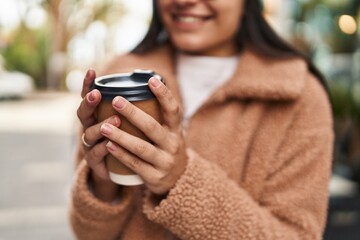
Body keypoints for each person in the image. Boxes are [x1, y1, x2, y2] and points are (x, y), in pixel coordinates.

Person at [70, 0, 334, 239]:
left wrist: (181, 179)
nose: (184, 1)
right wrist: (102, 184)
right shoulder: (116, 79)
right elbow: (88, 234)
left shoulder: (298, 96)